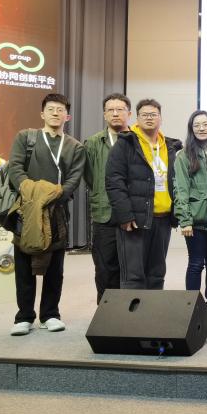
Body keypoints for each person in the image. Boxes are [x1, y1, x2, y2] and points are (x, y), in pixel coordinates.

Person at [8, 93, 86, 336]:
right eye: (51, 109)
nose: (55, 113)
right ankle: (24, 317)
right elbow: (15, 168)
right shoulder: (26, 137)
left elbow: (74, 178)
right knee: (24, 264)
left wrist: (54, 197)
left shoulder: (75, 146)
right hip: (27, 209)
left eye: (60, 110)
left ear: (67, 116)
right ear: (42, 113)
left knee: (55, 268)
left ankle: (50, 314)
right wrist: (32, 194)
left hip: (57, 211)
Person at [105, 98, 183, 291]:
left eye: (153, 114)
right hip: (135, 220)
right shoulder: (126, 144)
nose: (149, 118)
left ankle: (152, 311)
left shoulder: (170, 146)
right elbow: (114, 181)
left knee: (157, 274)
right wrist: (125, 215)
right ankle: (133, 312)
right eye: (144, 115)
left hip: (163, 220)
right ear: (137, 118)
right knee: (134, 276)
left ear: (161, 118)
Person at [173, 110, 207, 327]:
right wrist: (185, 219)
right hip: (195, 219)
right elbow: (180, 189)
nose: (202, 128)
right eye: (197, 125)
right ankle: (191, 306)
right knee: (196, 263)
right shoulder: (184, 155)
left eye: (205, 124)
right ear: (191, 129)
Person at [83, 93, 130, 303]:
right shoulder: (93, 143)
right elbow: (90, 177)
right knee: (104, 267)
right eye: (110, 110)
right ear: (104, 115)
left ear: (129, 113)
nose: (115, 113)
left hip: (132, 214)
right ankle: (105, 312)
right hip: (104, 213)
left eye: (120, 109)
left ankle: (130, 313)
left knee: (131, 267)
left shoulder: (137, 140)